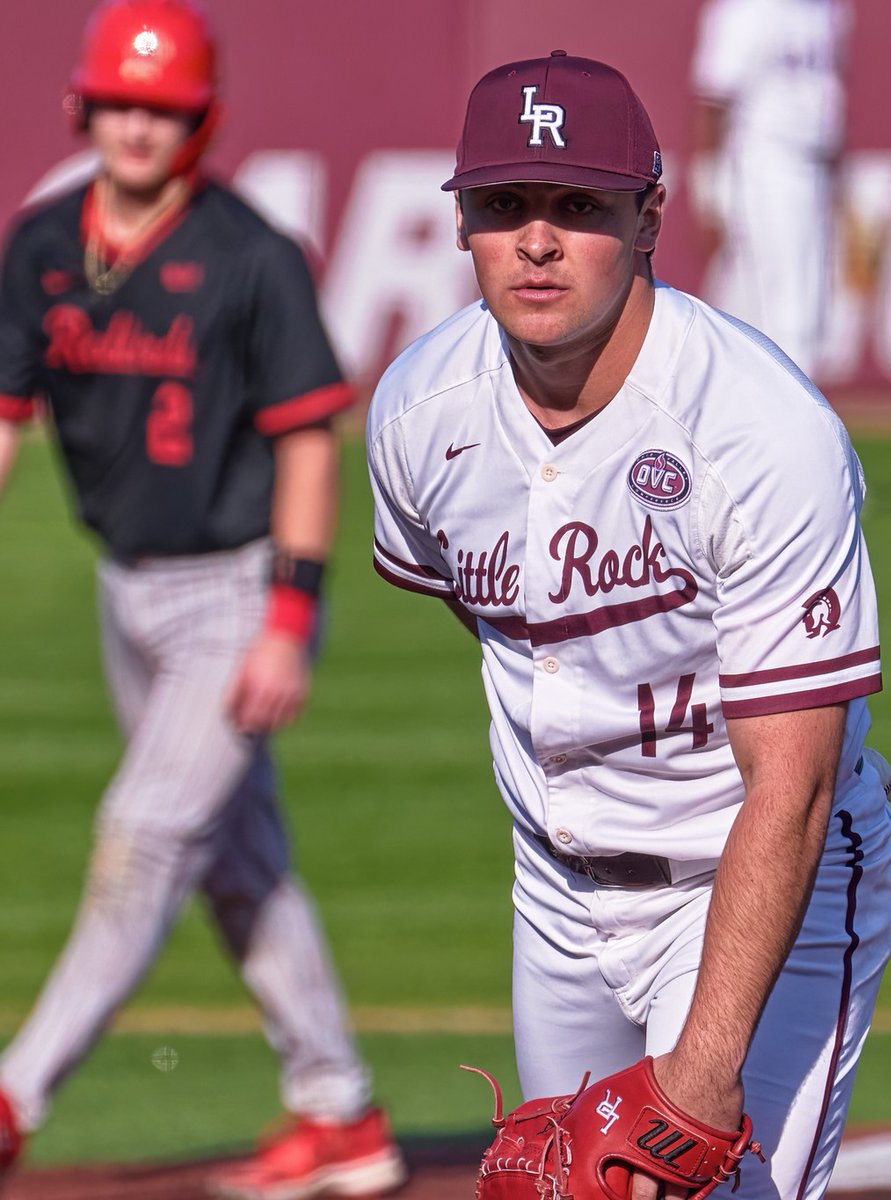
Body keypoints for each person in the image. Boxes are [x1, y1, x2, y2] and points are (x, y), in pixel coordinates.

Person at [366, 50, 891, 1200]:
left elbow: (792, 788)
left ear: (651, 214)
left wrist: (699, 1082)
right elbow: (512, 624)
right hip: (555, 895)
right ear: (461, 222)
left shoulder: (762, 434)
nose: (538, 241)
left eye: (580, 207)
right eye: (505, 206)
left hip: (758, 889)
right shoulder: (418, 415)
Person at [0, 4, 406, 1198]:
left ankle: (15, 1091)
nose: (138, 124)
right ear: (85, 106)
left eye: (162, 106)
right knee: (239, 863)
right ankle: (341, 1112)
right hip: (129, 589)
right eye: (121, 102)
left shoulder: (249, 256)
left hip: (234, 591)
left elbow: (311, 445)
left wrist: (289, 618)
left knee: (144, 838)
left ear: (200, 118)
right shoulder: (40, 245)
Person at [689, 0, 851, 375]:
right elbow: (715, 103)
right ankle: (796, 416)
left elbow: (830, 102)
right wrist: (709, 195)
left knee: (792, 304)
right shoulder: (749, 10)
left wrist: (841, 190)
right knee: (786, 308)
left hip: (814, 165)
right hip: (764, 162)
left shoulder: (826, 10)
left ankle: (732, 405)